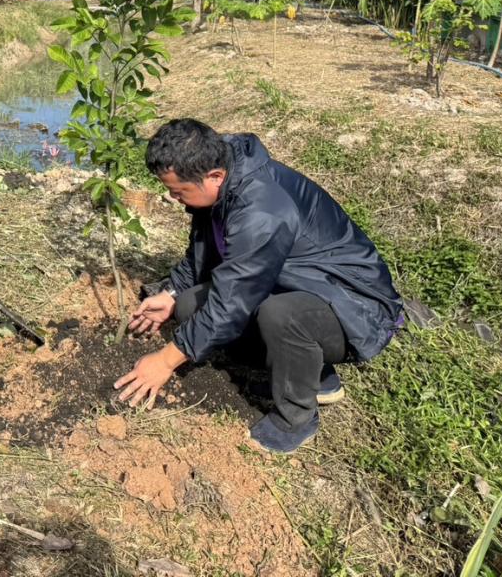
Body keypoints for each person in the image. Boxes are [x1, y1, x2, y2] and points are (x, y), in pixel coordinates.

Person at [114, 118, 404, 453]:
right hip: (291, 283)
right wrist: (172, 292)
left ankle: (296, 418)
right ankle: (315, 375)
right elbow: (205, 250)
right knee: (190, 305)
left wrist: (165, 361)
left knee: (280, 316)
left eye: (179, 192)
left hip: (349, 303)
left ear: (214, 176)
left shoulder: (262, 211)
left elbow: (231, 303)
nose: (173, 198)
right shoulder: (220, 176)